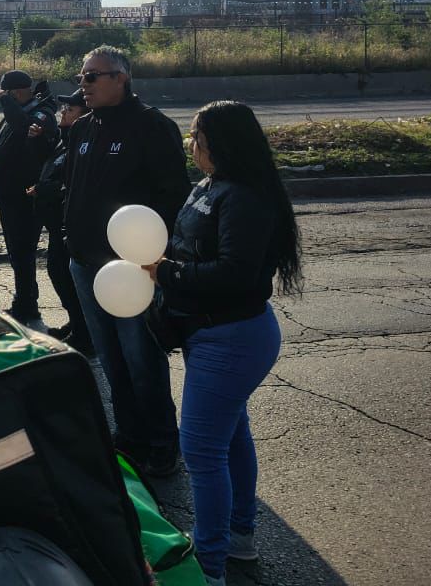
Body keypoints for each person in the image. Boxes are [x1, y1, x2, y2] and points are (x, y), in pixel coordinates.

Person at [143, 101, 304, 586]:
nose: (193, 145)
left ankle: (210, 565)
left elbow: (235, 273)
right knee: (231, 436)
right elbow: (189, 244)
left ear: (223, 142)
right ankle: (238, 537)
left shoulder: (245, 197)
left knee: (202, 452)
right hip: (210, 333)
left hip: (232, 336)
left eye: (199, 137)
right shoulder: (210, 186)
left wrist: (166, 272)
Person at [64, 45, 191, 477]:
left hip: (133, 269)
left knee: (142, 357)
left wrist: (156, 257)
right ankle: (130, 435)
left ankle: (161, 442)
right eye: (82, 77)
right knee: (110, 358)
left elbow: (174, 196)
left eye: (93, 76)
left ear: (121, 78)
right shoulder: (82, 129)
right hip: (85, 264)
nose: (85, 84)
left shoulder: (152, 127)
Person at [0, 71, 58, 331]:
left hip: (25, 195)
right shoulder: (21, 112)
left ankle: (27, 305)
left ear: (15, 93)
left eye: (6, 95)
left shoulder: (40, 114)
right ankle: (24, 301)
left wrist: (7, 102)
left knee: (23, 251)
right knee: (18, 253)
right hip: (10, 193)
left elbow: (23, 127)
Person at [26, 90, 93, 353]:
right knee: (58, 272)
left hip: (70, 224)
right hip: (56, 223)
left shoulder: (82, 142)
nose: (64, 112)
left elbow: (75, 183)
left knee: (66, 275)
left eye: (71, 109)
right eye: (64, 108)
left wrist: (46, 189)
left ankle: (84, 333)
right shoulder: (64, 140)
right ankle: (76, 322)